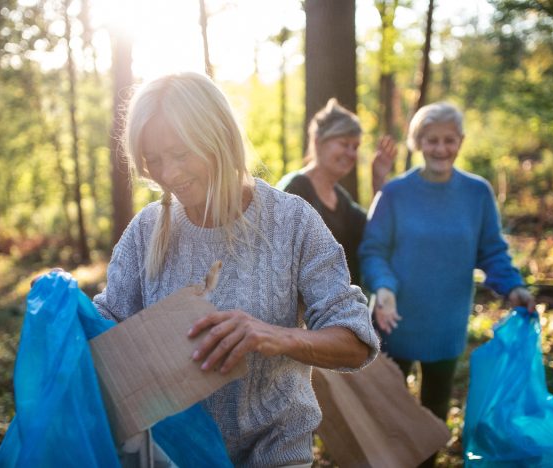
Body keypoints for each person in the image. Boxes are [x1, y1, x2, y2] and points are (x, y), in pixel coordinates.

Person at [92, 72, 380, 467]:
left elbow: (356, 342)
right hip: (173, 457)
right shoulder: (146, 231)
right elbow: (106, 334)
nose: (168, 174)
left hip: (275, 453)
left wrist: (275, 336)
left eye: (180, 154)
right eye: (153, 159)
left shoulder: (292, 221)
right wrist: (63, 323)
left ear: (219, 138)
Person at [359, 102, 535, 427]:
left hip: (446, 324)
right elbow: (373, 251)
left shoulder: (477, 193)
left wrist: (514, 287)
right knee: (386, 413)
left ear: (460, 142)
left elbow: (492, 251)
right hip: (392, 320)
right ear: (418, 143)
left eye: (449, 140)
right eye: (431, 140)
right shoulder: (395, 193)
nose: (441, 148)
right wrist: (384, 287)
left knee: (435, 411)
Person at [277, 98, 397, 285]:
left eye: (355, 147)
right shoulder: (294, 190)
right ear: (318, 141)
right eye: (344, 143)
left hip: (342, 309)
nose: (351, 153)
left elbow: (376, 235)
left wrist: (378, 181)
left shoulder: (342, 200)